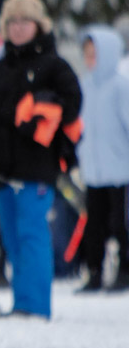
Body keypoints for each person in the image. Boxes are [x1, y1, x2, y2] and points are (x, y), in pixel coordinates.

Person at [0, 0, 81, 320]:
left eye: (24, 22)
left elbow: (72, 103)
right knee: (11, 238)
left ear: (38, 25)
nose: (17, 28)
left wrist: (45, 108)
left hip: (36, 167)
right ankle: (21, 302)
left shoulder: (55, 66)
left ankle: (35, 306)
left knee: (32, 234)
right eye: (11, 22)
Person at [73, 26, 129, 293]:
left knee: (121, 224)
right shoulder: (84, 85)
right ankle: (93, 272)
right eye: (87, 55)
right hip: (93, 171)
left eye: (95, 54)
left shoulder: (121, 86)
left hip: (120, 170)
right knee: (93, 225)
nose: (90, 60)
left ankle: (124, 271)